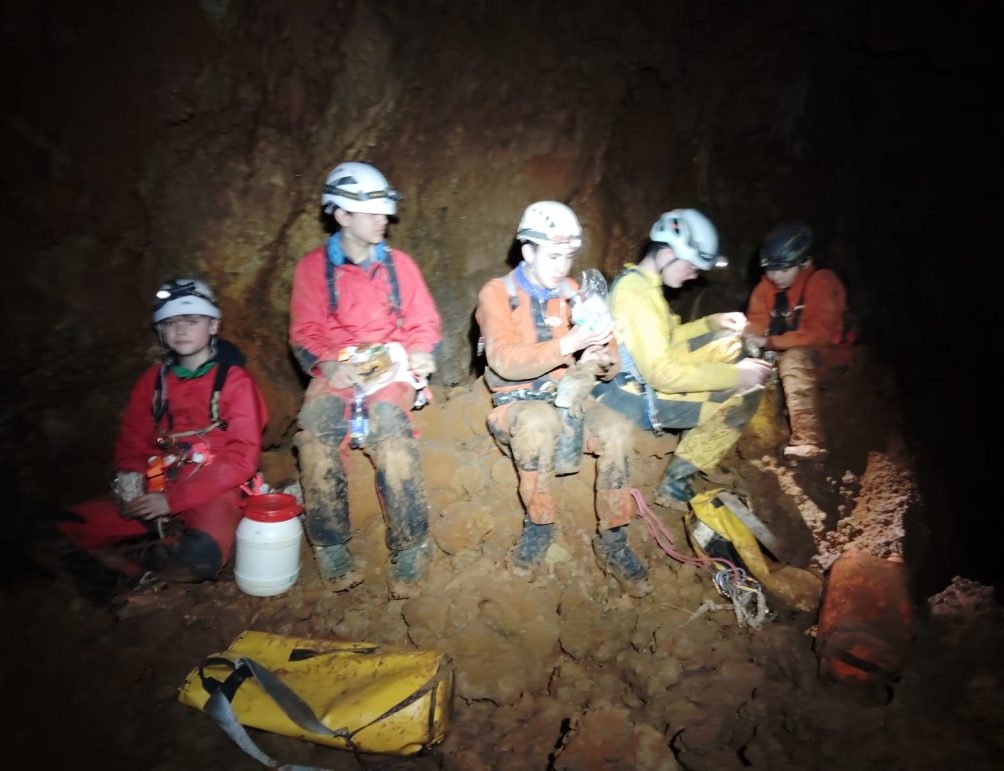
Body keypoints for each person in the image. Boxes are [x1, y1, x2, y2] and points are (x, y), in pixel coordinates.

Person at [48, 279, 268, 599]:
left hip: (212, 487)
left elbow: (242, 458)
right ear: (160, 330)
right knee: (58, 528)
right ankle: (131, 570)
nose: (180, 330)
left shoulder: (235, 383)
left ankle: (127, 570)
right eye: (169, 323)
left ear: (213, 326)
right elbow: (132, 441)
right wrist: (131, 479)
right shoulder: (151, 383)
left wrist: (172, 501)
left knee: (200, 555)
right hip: (158, 483)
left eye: (191, 320)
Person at [475, 201, 651, 597]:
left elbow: (611, 359)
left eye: (569, 256)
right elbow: (503, 360)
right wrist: (567, 344)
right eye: (553, 256)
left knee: (618, 431)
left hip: (571, 399)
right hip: (517, 404)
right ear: (528, 251)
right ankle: (539, 524)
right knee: (538, 423)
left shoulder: (574, 292)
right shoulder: (498, 294)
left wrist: (600, 358)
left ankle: (613, 537)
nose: (562, 266)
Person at [289, 161, 441, 599]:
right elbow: (305, 331)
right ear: (342, 215)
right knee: (315, 429)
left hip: (390, 365)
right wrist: (327, 364)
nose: (384, 219)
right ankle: (329, 544)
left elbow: (423, 321)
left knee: (390, 428)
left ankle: (412, 544)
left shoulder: (399, 266)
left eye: (384, 210)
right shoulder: (313, 269)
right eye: (372, 211)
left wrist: (420, 351)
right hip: (339, 366)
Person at [596, 209, 771, 510]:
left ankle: (699, 447)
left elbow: (668, 338)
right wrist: (737, 376)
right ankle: (675, 483)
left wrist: (711, 323)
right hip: (631, 397)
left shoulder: (642, 283)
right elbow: (662, 375)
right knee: (747, 392)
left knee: (727, 342)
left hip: (636, 380)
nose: (694, 276)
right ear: (667, 253)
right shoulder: (635, 296)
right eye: (691, 266)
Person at [744, 221, 851, 460]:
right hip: (784, 352)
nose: (774, 276)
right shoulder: (765, 288)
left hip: (826, 357)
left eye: (782, 270)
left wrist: (769, 342)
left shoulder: (821, 282)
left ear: (803, 262)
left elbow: (818, 334)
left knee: (794, 359)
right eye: (770, 269)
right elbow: (757, 322)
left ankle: (808, 440)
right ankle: (760, 434)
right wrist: (749, 339)